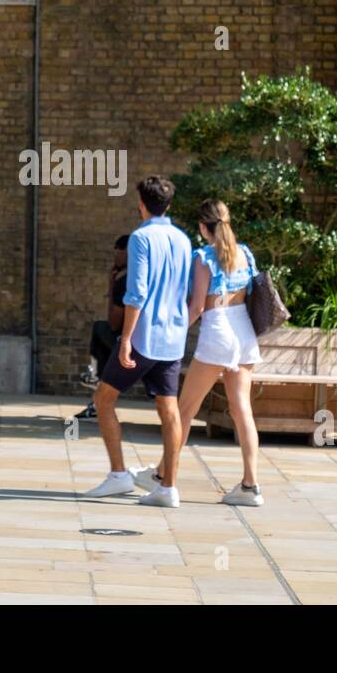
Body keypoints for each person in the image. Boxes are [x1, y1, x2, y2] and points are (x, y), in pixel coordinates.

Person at [83, 176, 192, 507]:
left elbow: (137, 292)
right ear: (169, 205)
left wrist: (126, 338)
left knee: (103, 400)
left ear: (141, 204)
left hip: (144, 336)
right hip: (174, 337)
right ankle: (168, 487)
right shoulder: (184, 240)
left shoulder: (141, 238)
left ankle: (119, 475)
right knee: (169, 409)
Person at [167, 198, 264, 506]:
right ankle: (251, 486)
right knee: (242, 410)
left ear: (201, 227)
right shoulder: (245, 253)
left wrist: (174, 331)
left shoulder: (203, 257)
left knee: (184, 410)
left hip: (218, 330)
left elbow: (196, 307)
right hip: (243, 331)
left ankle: (163, 478)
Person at [75, 235, 131, 420]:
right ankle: (97, 382)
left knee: (101, 328)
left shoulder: (124, 283)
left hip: (130, 344)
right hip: (161, 341)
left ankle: (95, 376)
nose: (115, 257)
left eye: (117, 251)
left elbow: (114, 322)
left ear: (127, 252)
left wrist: (112, 286)